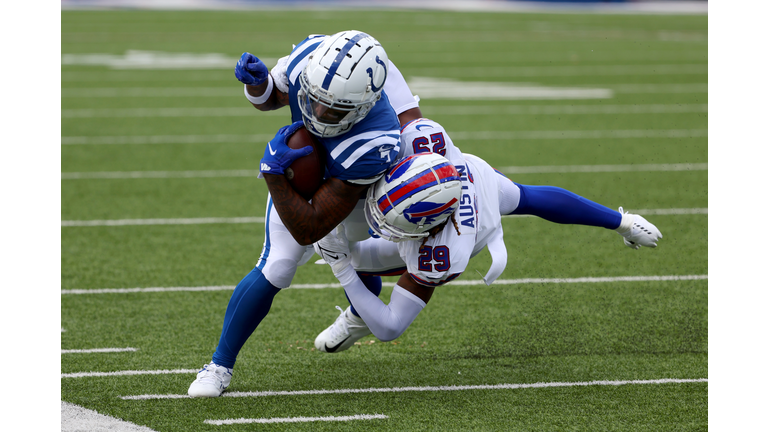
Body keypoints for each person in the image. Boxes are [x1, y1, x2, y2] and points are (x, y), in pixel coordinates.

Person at [188, 30, 422, 397]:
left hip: (361, 193)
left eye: (334, 109)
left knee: (355, 257)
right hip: (307, 171)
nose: (318, 113)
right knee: (278, 265)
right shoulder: (310, 59)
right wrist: (259, 83)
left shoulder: (378, 138)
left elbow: (309, 227)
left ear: (364, 105)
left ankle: (361, 314)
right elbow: (270, 99)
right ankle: (219, 365)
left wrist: (273, 174)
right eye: (314, 101)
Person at [312, 118, 663, 352]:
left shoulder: (442, 252)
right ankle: (624, 223)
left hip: (472, 225)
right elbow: (541, 201)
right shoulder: (422, 139)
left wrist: (341, 265)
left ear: (426, 230)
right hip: (473, 176)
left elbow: (390, 328)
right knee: (527, 196)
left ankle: (357, 317)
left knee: (350, 257)